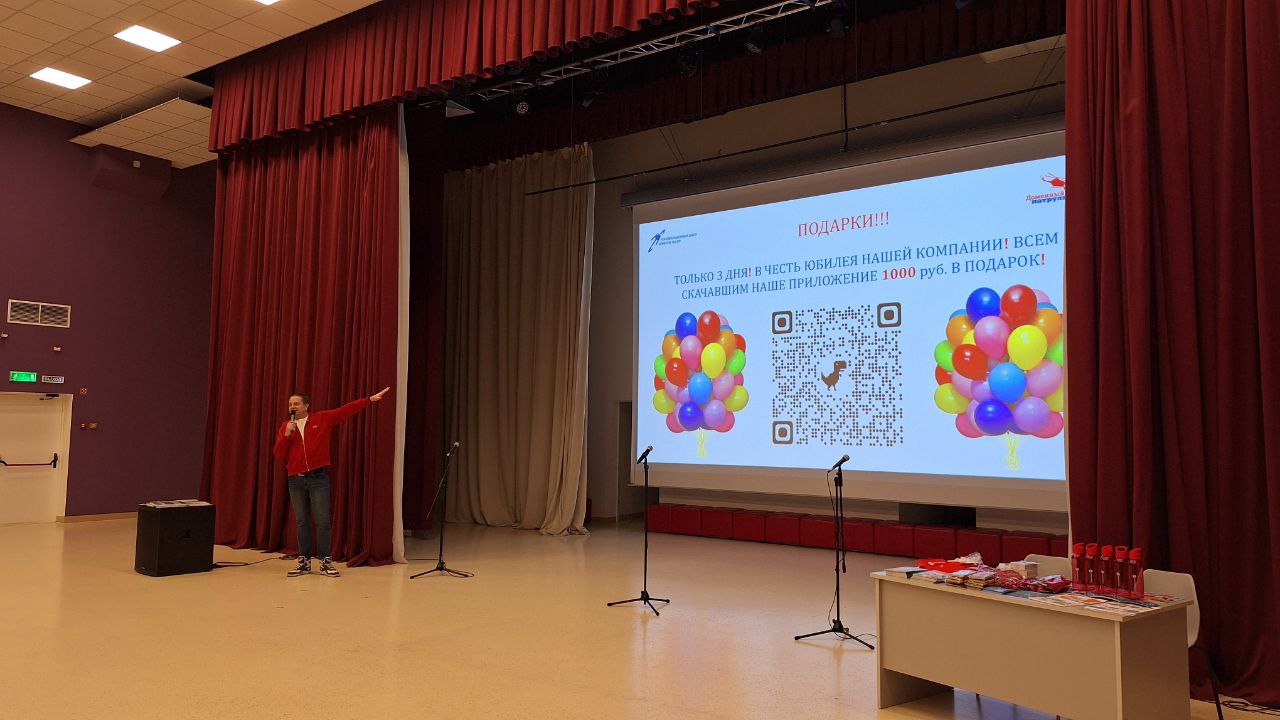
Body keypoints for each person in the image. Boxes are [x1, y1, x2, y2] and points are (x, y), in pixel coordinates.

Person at [273, 387, 391, 577]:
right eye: (290, 404)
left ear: (306, 405)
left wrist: (368, 400)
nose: (292, 407)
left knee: (322, 521)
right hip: (296, 480)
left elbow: (345, 411)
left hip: (318, 478)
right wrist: (287, 435)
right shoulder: (286, 426)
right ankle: (304, 562)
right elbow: (279, 454)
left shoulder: (321, 419)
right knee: (302, 522)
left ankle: (325, 562)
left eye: (296, 403)